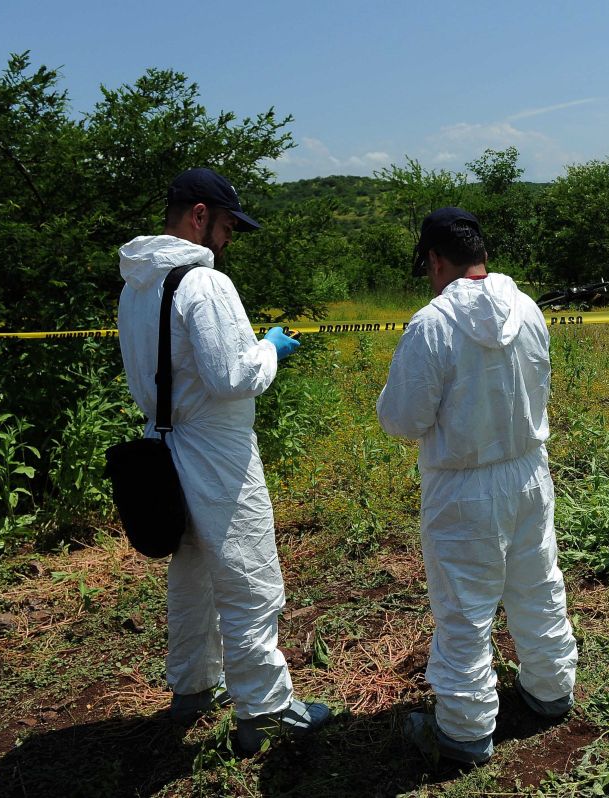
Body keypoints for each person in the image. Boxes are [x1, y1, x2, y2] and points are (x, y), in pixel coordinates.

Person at [116, 167, 328, 755]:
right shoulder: (204, 284)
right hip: (214, 448)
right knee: (250, 577)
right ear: (201, 215)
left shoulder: (137, 286)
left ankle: (193, 684)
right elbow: (233, 375)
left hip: (161, 444)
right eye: (229, 226)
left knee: (192, 574)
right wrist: (271, 348)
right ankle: (265, 706)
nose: (229, 239)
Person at [377, 207, 579, 765]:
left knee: (464, 611)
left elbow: (402, 419)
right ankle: (551, 690)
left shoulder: (431, 324)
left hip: (463, 488)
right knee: (538, 585)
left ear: (436, 260)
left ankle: (464, 734)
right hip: (529, 474)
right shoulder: (530, 309)